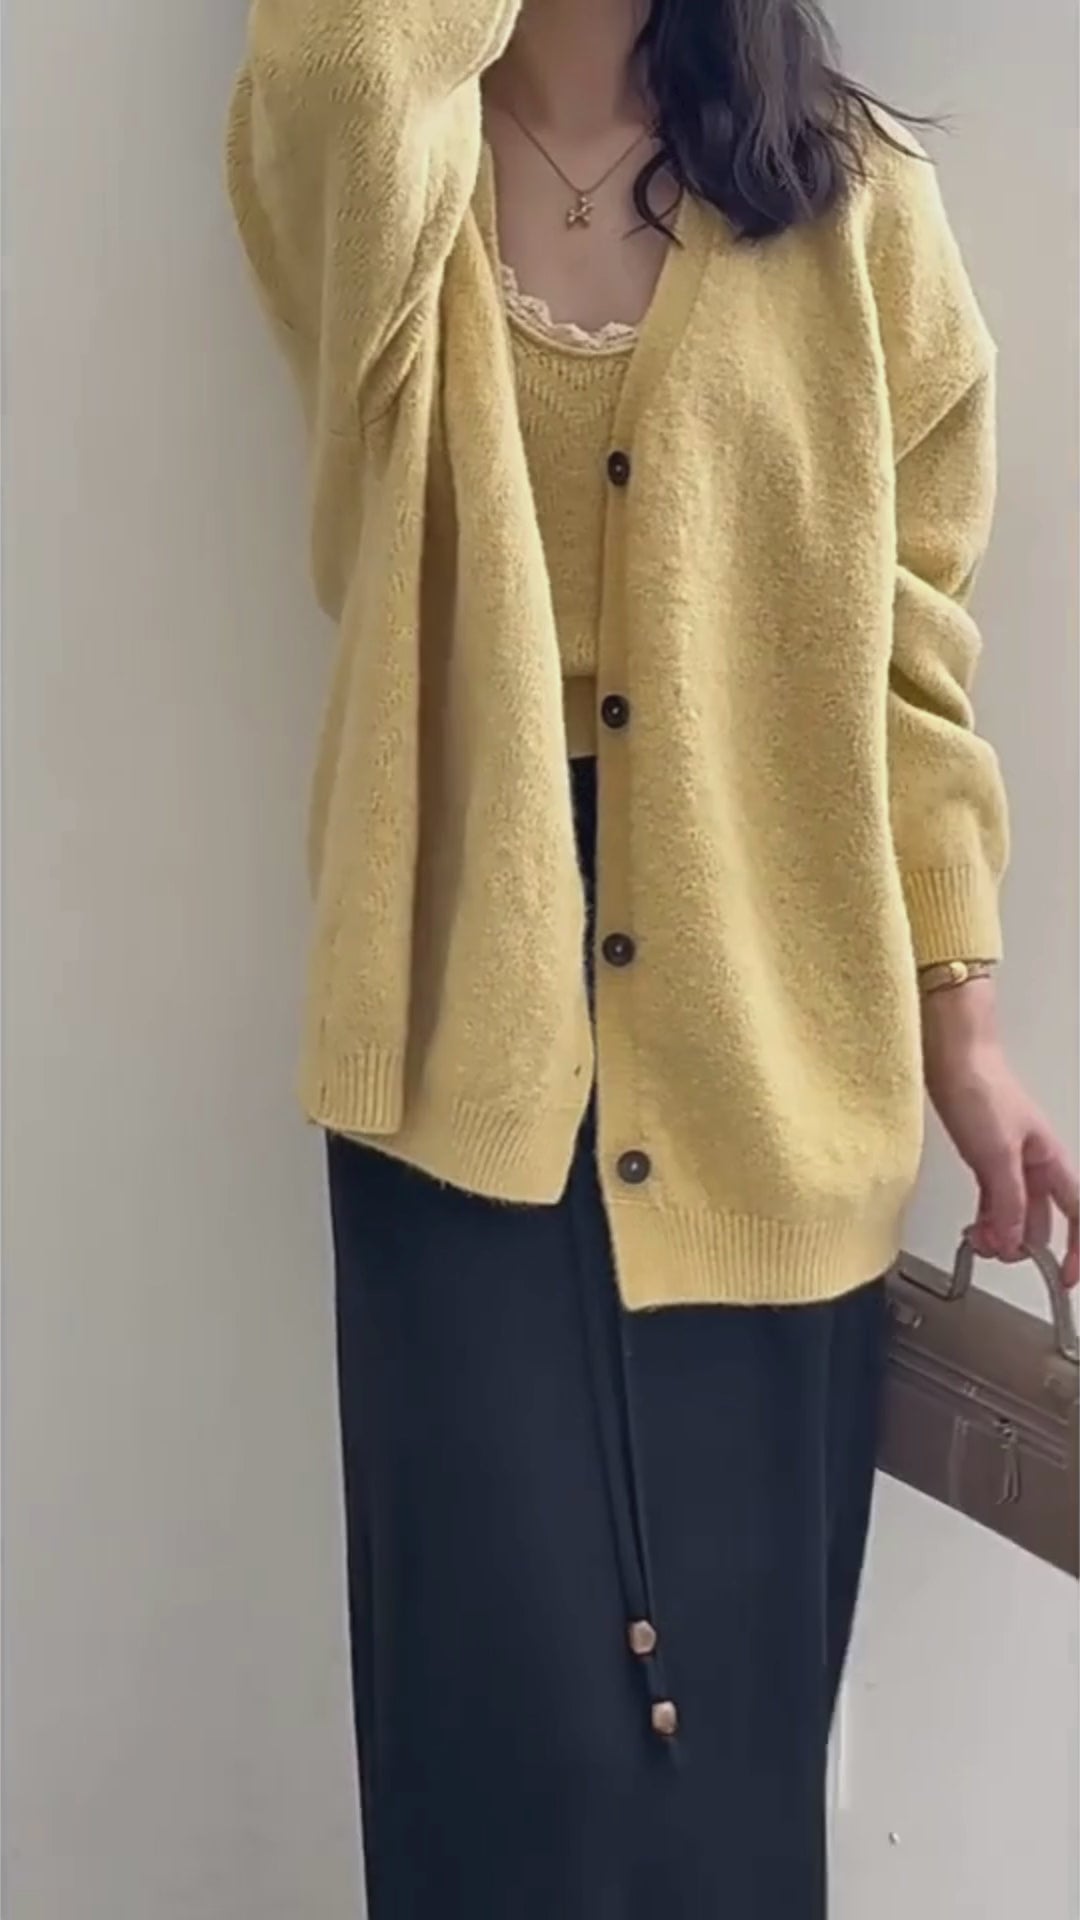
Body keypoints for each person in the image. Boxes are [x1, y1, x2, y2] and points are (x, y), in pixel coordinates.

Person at [226, 2, 1079, 1914]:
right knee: (493, 1757)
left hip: (774, 1040)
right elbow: (346, 68)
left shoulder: (857, 208)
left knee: (726, 1795)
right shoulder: (387, 162)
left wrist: (967, 1027)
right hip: (459, 1049)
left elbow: (913, 660)